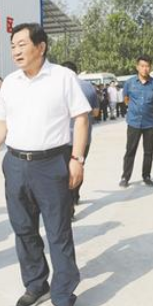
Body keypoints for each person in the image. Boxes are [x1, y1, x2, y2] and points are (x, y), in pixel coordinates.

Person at [0, 23, 90, 306]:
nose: (15, 51)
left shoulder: (63, 77)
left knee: (58, 232)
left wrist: (77, 159)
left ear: (40, 47)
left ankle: (63, 296)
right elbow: (1, 121)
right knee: (23, 229)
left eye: (22, 44)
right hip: (15, 163)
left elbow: (81, 119)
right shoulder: (11, 83)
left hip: (51, 164)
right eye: (12, 46)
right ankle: (36, 284)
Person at [61, 61, 99, 216]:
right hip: (84, 139)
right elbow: (96, 112)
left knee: (64, 172)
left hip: (63, 139)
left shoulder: (59, 86)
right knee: (78, 166)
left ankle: (69, 207)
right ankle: (75, 195)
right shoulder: (88, 87)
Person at [119, 55, 153, 188]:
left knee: (148, 152)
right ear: (137, 67)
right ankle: (125, 177)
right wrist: (134, 109)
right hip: (134, 122)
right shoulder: (129, 83)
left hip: (150, 123)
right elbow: (126, 99)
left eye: (147, 66)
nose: (145, 69)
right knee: (130, 151)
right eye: (142, 66)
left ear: (150, 67)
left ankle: (146, 176)